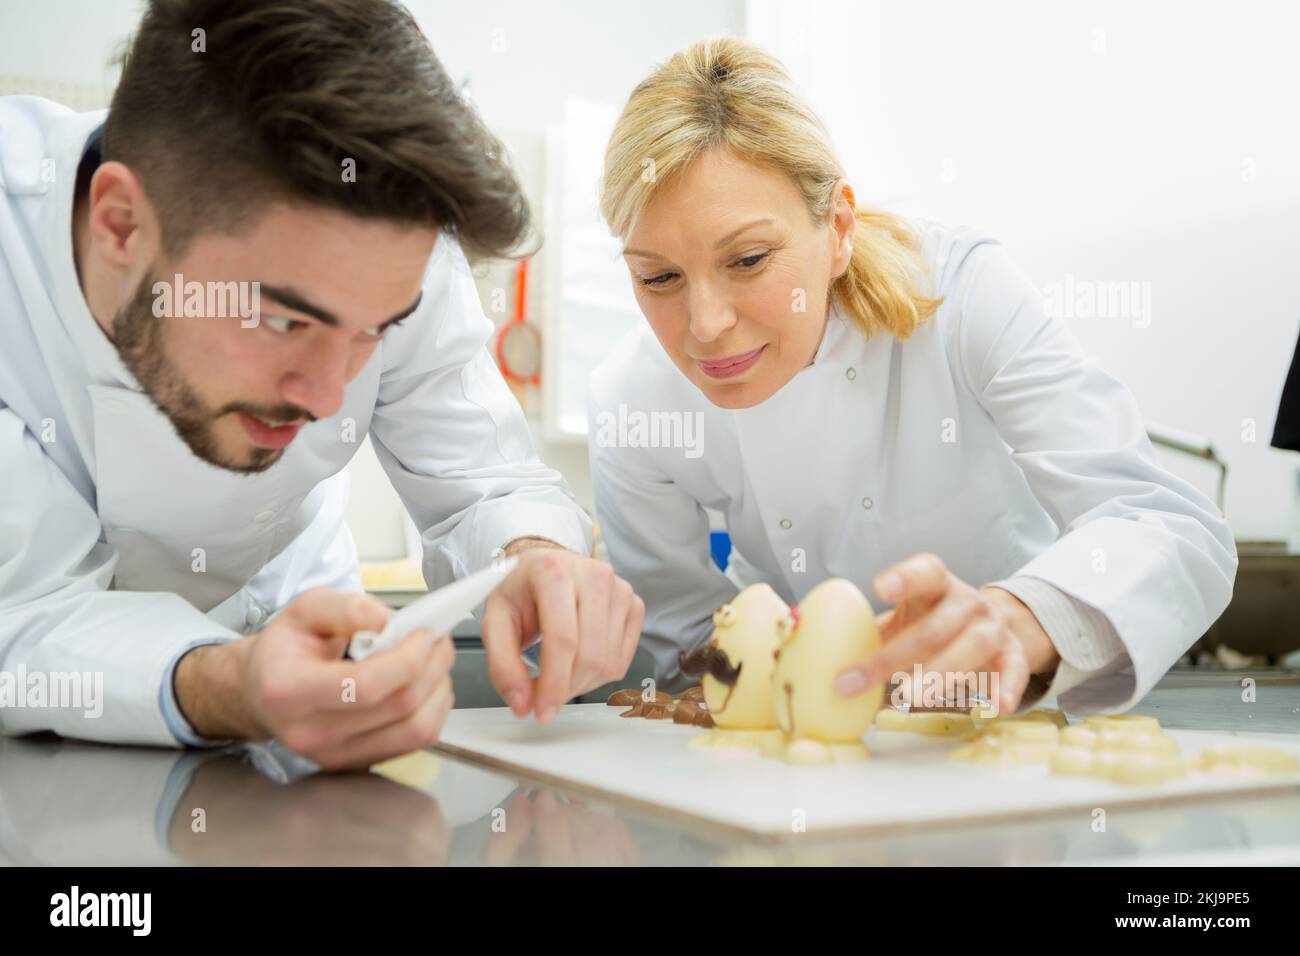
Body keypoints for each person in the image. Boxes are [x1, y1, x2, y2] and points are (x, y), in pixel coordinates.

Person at [0, 0, 642, 770]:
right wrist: (228, 681)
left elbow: (487, 487)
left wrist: (537, 556)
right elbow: (24, 617)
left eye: (373, 332)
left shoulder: (388, 249)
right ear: (120, 226)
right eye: (284, 322)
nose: (330, 400)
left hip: (313, 680)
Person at [588, 37, 1236, 716]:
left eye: (748, 259)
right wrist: (723, 687)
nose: (705, 324)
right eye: (657, 277)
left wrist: (1022, 621)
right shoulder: (633, 399)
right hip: (803, 751)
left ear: (837, 228)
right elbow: (684, 639)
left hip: (1003, 722)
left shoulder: (960, 295)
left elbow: (1165, 523)